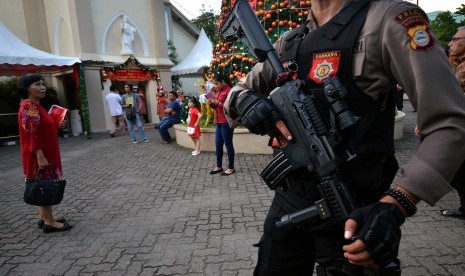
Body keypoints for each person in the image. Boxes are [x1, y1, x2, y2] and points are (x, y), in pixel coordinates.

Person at [224, 0, 465, 275]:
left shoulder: (389, 20)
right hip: (289, 204)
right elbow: (237, 92)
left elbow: (451, 122)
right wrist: (245, 101)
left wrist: (399, 203)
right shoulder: (291, 41)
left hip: (352, 212)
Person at [17, 74, 73, 233]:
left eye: (43, 84)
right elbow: (32, 134)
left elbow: (43, 130)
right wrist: (40, 156)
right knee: (46, 185)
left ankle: (44, 217)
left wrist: (56, 125)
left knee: (43, 184)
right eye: (37, 84)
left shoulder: (35, 105)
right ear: (26, 88)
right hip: (41, 155)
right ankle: (50, 222)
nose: (42, 87)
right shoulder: (29, 107)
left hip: (45, 152)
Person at [440, 26, 465, 219]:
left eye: (455, 39)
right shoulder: (456, 65)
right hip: (457, 126)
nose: (450, 43)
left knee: (456, 170)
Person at [209, 74, 235, 176]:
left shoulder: (229, 90)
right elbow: (215, 106)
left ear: (223, 81)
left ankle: (231, 167)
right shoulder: (218, 91)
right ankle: (219, 166)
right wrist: (211, 101)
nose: (215, 85)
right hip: (218, 121)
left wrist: (218, 103)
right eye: (214, 84)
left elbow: (231, 106)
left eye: (217, 83)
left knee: (228, 144)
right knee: (218, 144)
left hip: (226, 121)